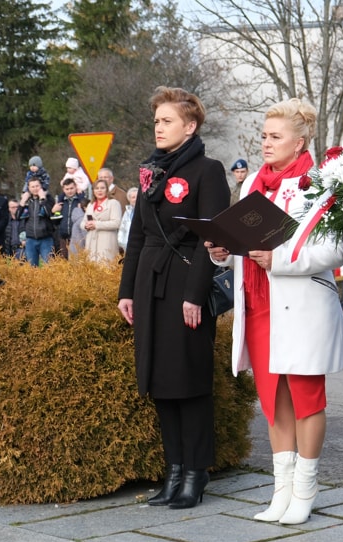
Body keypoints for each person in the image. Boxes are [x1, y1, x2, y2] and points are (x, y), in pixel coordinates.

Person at [207, 98, 343, 526]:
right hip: (259, 305)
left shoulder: (321, 183)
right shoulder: (252, 182)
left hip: (302, 304)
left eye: (275, 137)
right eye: (264, 136)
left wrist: (281, 260)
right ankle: (281, 490)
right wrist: (221, 252)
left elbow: (335, 249)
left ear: (299, 141)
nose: (266, 143)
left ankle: (306, 487)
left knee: (306, 398)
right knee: (273, 401)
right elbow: (242, 239)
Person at [118, 86, 230, 510]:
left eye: (166, 121)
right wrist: (127, 290)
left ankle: (196, 473)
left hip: (185, 281)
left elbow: (212, 235)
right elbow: (139, 235)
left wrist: (195, 293)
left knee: (189, 379)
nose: (158, 128)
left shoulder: (209, 170)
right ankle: (174, 470)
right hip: (149, 283)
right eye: (156, 121)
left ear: (190, 125)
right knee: (161, 381)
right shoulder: (150, 170)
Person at [82, 179, 122, 262]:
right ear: (93, 191)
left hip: (106, 243)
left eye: (102, 188)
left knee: (106, 269)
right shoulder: (90, 204)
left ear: (107, 190)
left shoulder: (113, 203)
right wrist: (86, 225)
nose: (99, 190)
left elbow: (116, 223)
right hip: (91, 245)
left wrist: (96, 224)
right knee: (91, 271)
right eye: (96, 188)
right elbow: (83, 222)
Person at [19, 178, 56, 266]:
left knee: (49, 266)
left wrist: (42, 199)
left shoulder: (49, 198)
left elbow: (49, 214)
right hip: (30, 239)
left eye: (37, 186)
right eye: (32, 187)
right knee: (32, 267)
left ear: (41, 186)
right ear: (29, 188)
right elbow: (17, 216)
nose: (35, 188)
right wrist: (23, 201)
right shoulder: (27, 201)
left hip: (45, 238)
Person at [52, 178, 86, 258]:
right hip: (63, 237)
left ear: (76, 187)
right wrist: (53, 212)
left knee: (76, 260)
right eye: (67, 189)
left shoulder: (81, 201)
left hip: (77, 237)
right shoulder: (60, 202)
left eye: (71, 188)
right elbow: (55, 222)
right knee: (64, 260)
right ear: (63, 189)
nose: (69, 191)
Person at [117, 186, 138, 252]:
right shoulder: (127, 212)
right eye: (133, 197)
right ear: (129, 199)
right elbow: (122, 228)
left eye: (137, 197)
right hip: (128, 244)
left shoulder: (145, 211)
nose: (135, 199)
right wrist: (121, 242)